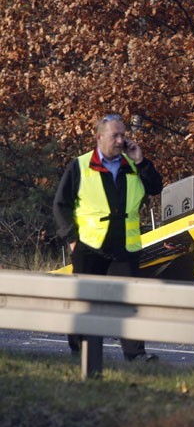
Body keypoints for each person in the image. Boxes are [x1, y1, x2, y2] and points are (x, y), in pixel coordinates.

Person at [53, 113, 163, 362]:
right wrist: (71, 239)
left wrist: (142, 161)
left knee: (128, 301)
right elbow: (61, 205)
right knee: (86, 302)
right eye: (115, 135)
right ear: (99, 137)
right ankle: (81, 354)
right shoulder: (80, 165)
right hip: (89, 246)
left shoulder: (133, 163)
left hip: (124, 245)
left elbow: (156, 188)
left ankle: (136, 355)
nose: (121, 140)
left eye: (123, 135)